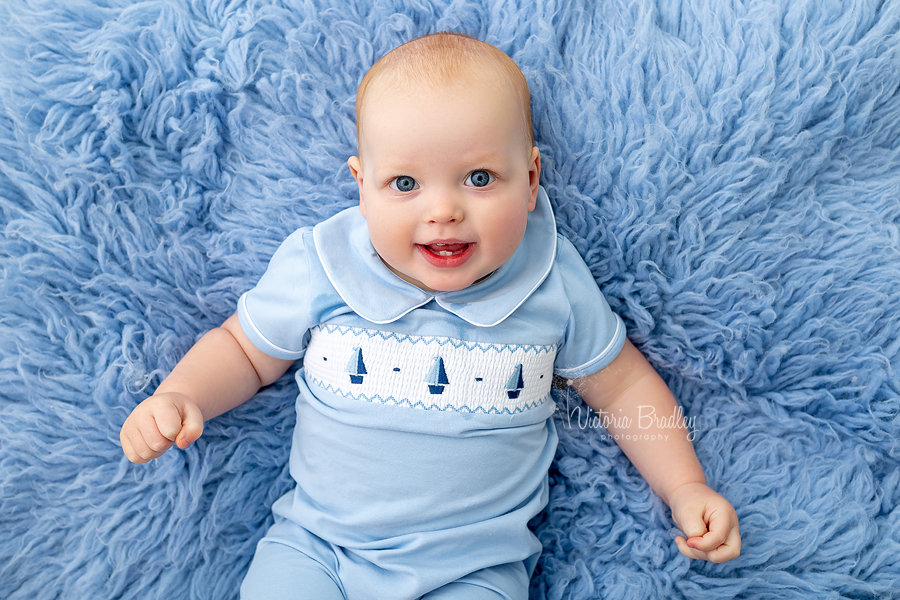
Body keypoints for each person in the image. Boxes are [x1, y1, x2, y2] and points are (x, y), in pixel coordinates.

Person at [120, 32, 740, 600]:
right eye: (405, 184)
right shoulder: (324, 265)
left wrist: (684, 486)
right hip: (319, 548)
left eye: (478, 177)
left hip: (472, 569)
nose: (443, 210)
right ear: (362, 188)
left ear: (530, 181)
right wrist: (182, 394)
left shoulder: (551, 282)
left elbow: (624, 385)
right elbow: (244, 350)